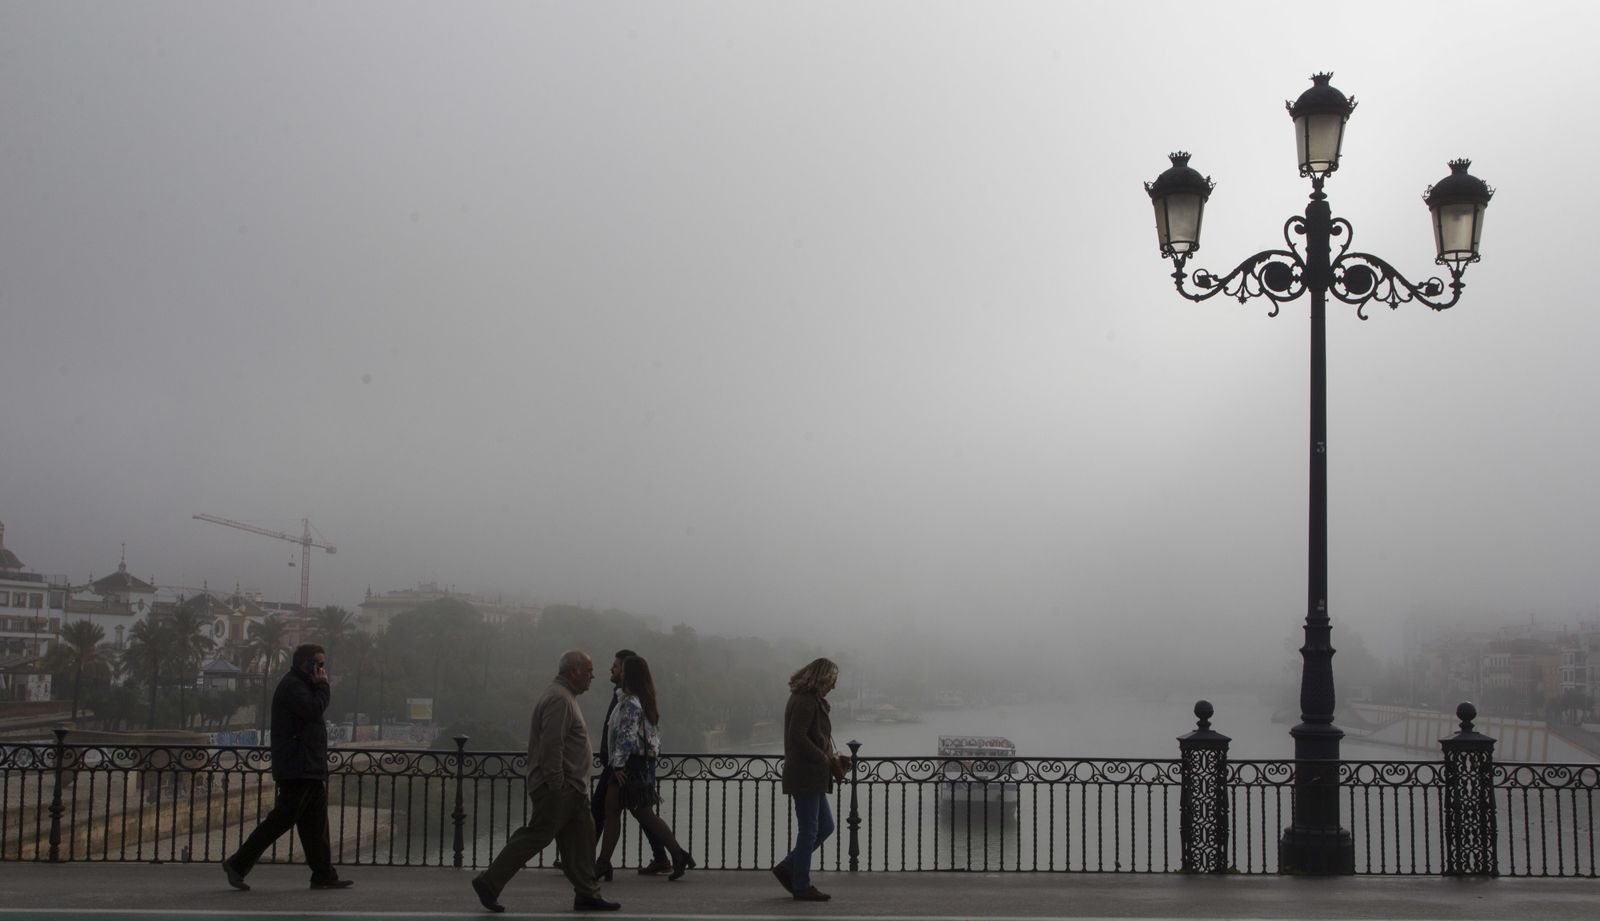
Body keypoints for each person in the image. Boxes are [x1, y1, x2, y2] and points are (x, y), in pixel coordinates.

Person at [471, 651, 619, 913]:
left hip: (572, 787)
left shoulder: (563, 696)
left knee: (582, 838)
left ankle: (587, 893)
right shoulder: (559, 699)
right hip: (561, 786)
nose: (592, 676)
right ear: (573, 671)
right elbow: (552, 745)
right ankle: (489, 882)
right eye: (588, 670)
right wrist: (556, 783)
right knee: (537, 835)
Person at [222, 643, 352, 891]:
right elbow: (313, 709)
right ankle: (237, 864)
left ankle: (323, 875)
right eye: (320, 664)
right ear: (306, 664)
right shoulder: (293, 686)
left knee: (315, 826)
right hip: (297, 767)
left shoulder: (303, 685)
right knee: (281, 820)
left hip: (308, 766)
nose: (323, 670)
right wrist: (323, 686)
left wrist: (318, 686)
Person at [594, 655, 694, 881]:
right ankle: (678, 854)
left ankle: (603, 864)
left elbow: (625, 736)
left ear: (630, 675)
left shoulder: (630, 703)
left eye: (622, 669)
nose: (616, 672)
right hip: (636, 765)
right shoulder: (641, 700)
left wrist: (617, 765)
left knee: (615, 813)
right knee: (637, 813)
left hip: (627, 766)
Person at [772, 657, 850, 902]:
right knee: (809, 830)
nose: (834, 686)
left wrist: (830, 756)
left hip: (811, 774)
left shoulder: (808, 699)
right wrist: (825, 759)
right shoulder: (805, 701)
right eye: (832, 680)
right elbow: (797, 737)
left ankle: (788, 868)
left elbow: (812, 736)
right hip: (805, 773)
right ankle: (801, 884)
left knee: (824, 826)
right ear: (823, 678)